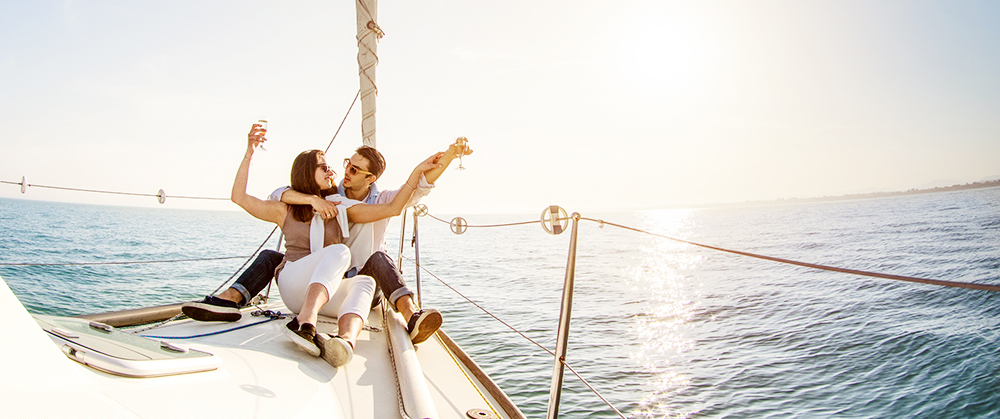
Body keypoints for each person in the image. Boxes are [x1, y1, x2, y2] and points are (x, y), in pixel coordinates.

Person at [184, 136, 471, 346]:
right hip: (304, 284)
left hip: (335, 287)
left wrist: (426, 166)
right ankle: (229, 301)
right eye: (339, 166)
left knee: (364, 272)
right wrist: (250, 153)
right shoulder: (304, 203)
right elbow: (253, 196)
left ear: (370, 178)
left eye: (353, 170)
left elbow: (397, 205)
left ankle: (356, 337)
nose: (341, 171)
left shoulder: (344, 206)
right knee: (280, 255)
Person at [217, 123, 440, 367]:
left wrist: (417, 170)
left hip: (325, 293)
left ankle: (344, 342)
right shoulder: (285, 208)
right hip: (294, 290)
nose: (332, 171)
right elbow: (239, 197)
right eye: (324, 167)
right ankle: (303, 321)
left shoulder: (340, 206)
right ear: (307, 173)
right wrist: (249, 153)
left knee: (364, 281)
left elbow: (392, 209)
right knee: (335, 251)